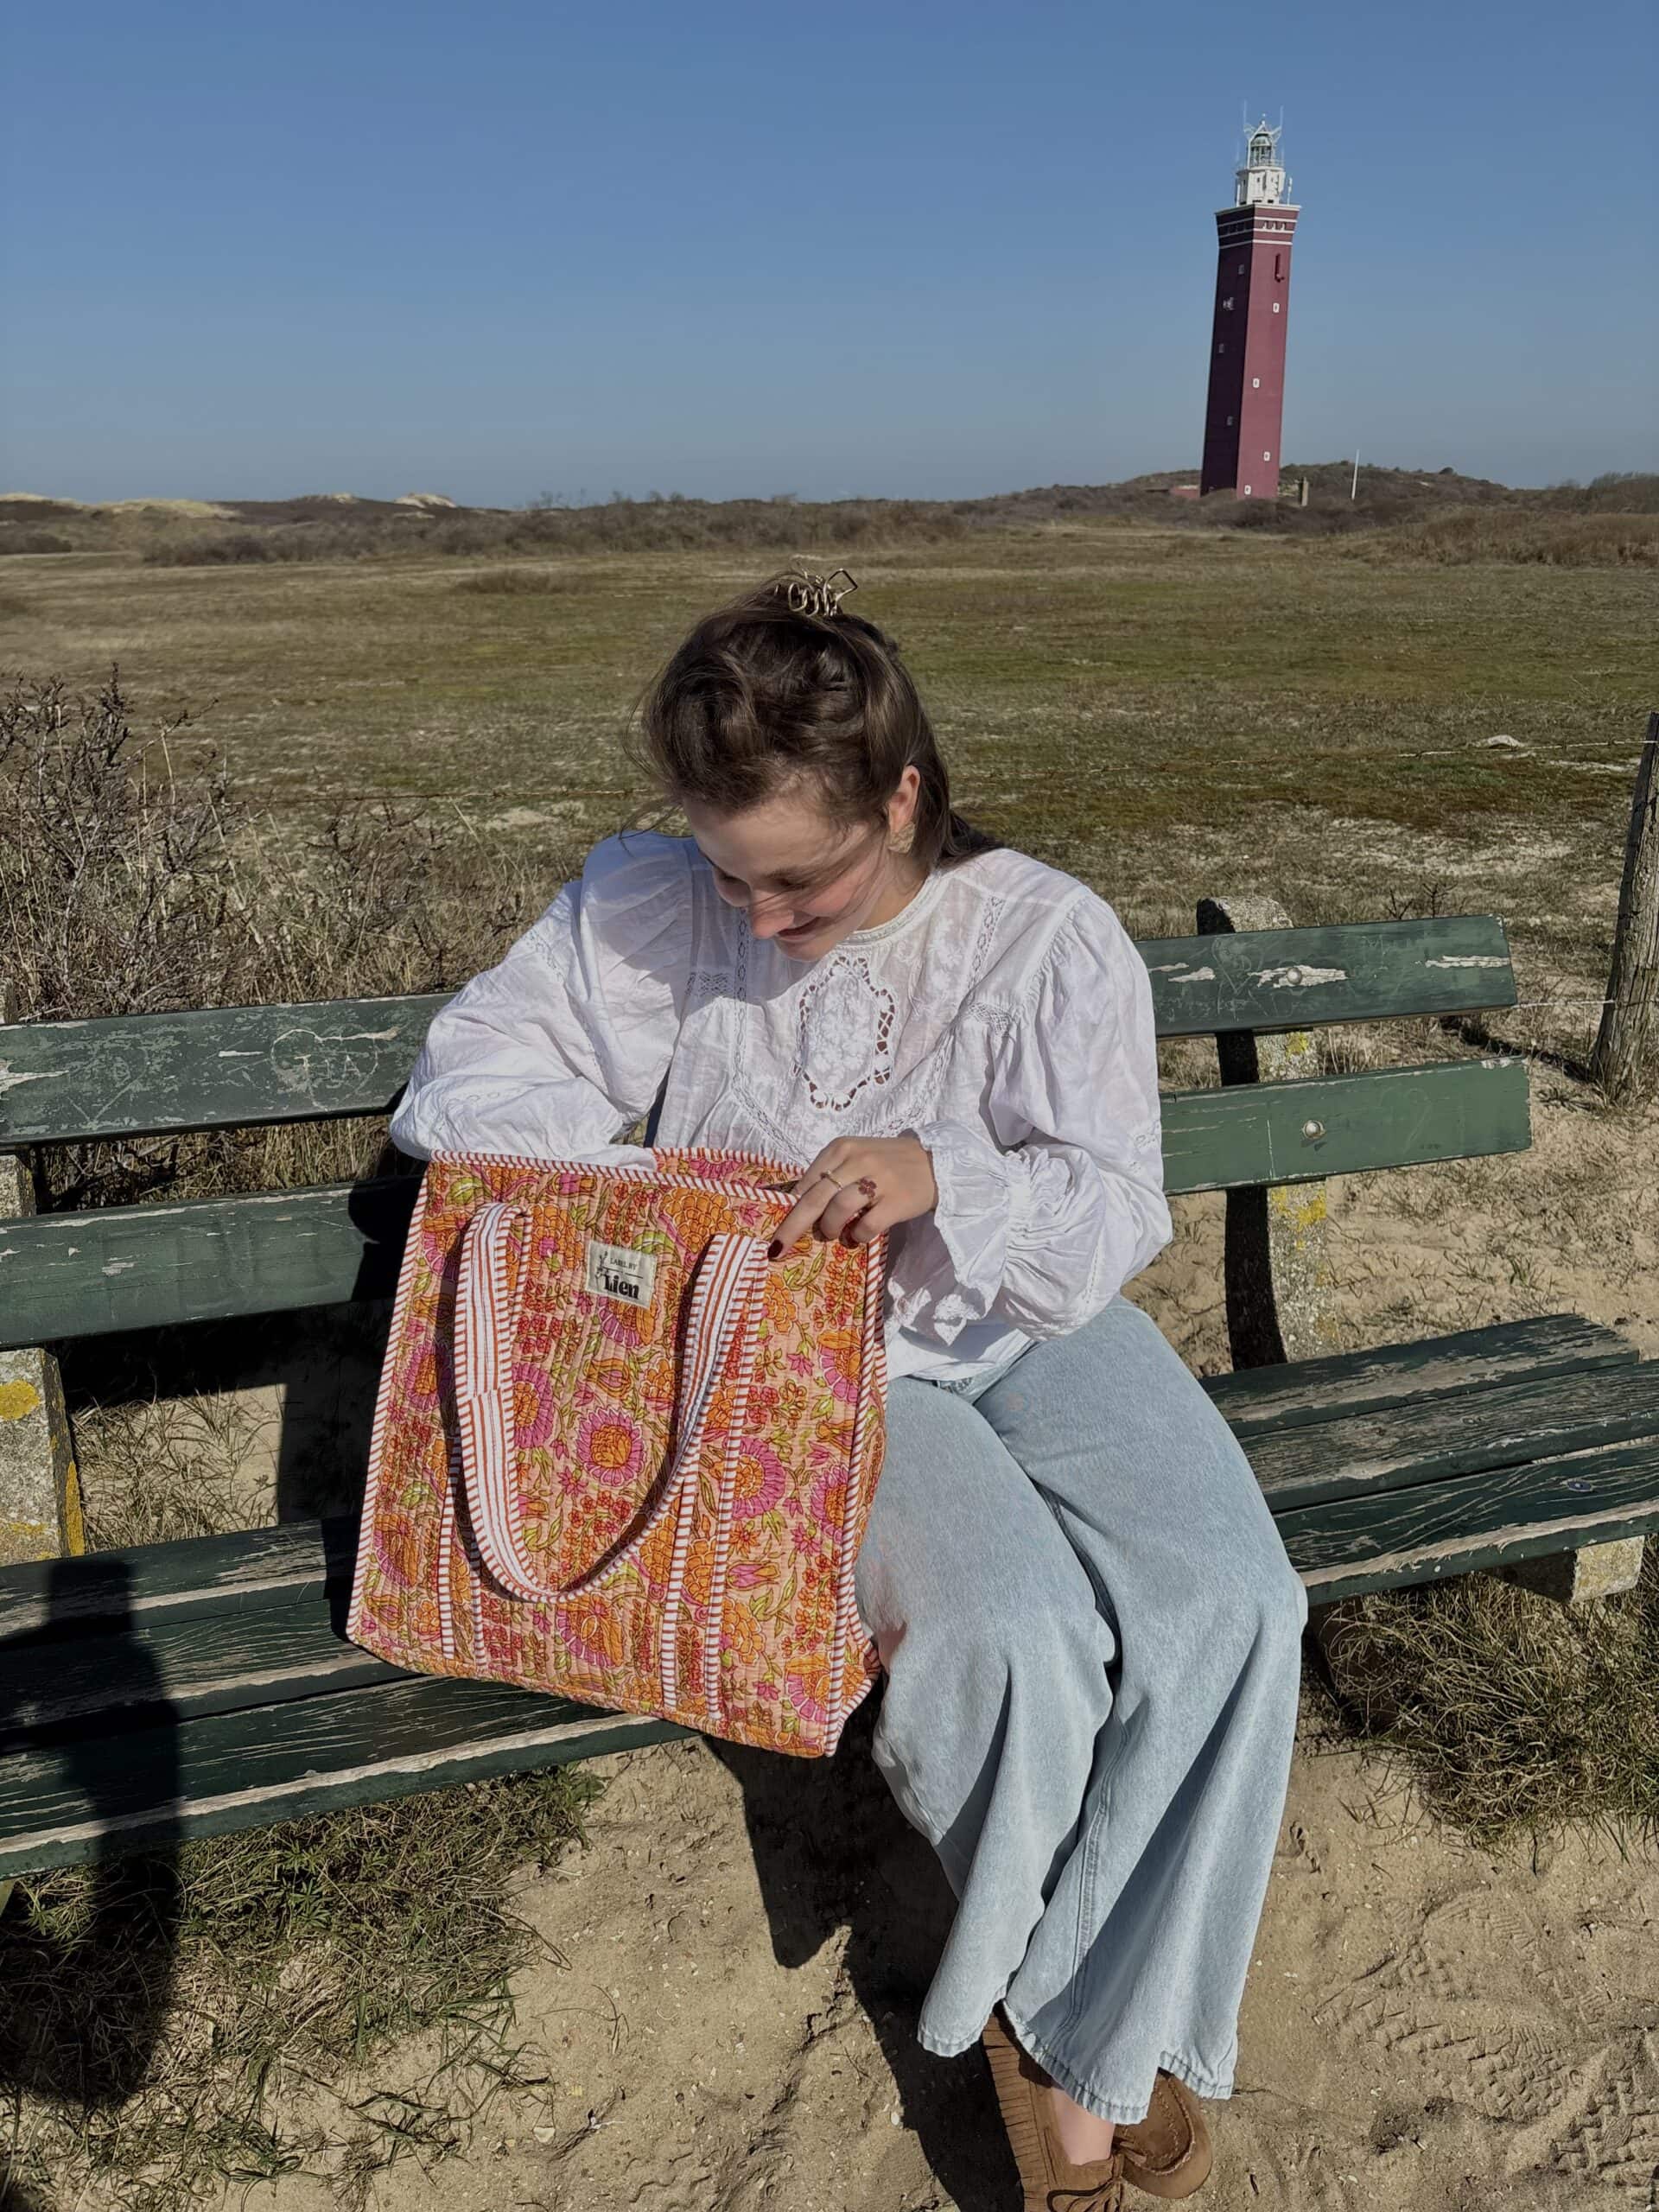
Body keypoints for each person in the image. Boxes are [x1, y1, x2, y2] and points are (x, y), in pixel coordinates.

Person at [387, 571, 1307, 2212]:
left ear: (900, 799)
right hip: (823, 1366)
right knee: (1012, 1633)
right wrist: (679, 1196)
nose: (757, 920)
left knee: (1235, 1602)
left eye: (797, 880)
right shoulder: (657, 905)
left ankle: (1067, 2012)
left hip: (1036, 1316)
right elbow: (469, 1084)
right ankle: (1078, 2078)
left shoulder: (1042, 936)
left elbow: (1114, 1207)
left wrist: (946, 1173)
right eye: (727, 874)